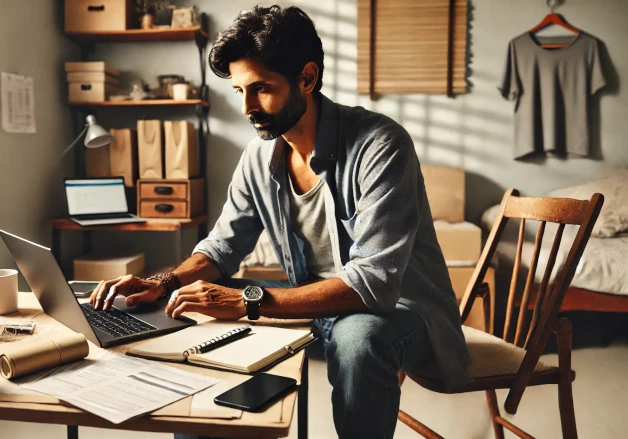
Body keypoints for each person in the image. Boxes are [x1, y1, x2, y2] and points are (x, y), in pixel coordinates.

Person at [90, 5, 470, 439]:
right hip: (313, 305)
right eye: (240, 90)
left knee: (358, 338)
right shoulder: (258, 156)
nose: (247, 107)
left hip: (397, 312)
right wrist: (164, 283)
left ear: (307, 78)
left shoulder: (381, 145)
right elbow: (222, 247)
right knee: (189, 300)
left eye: (261, 88)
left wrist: (247, 301)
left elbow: (374, 284)